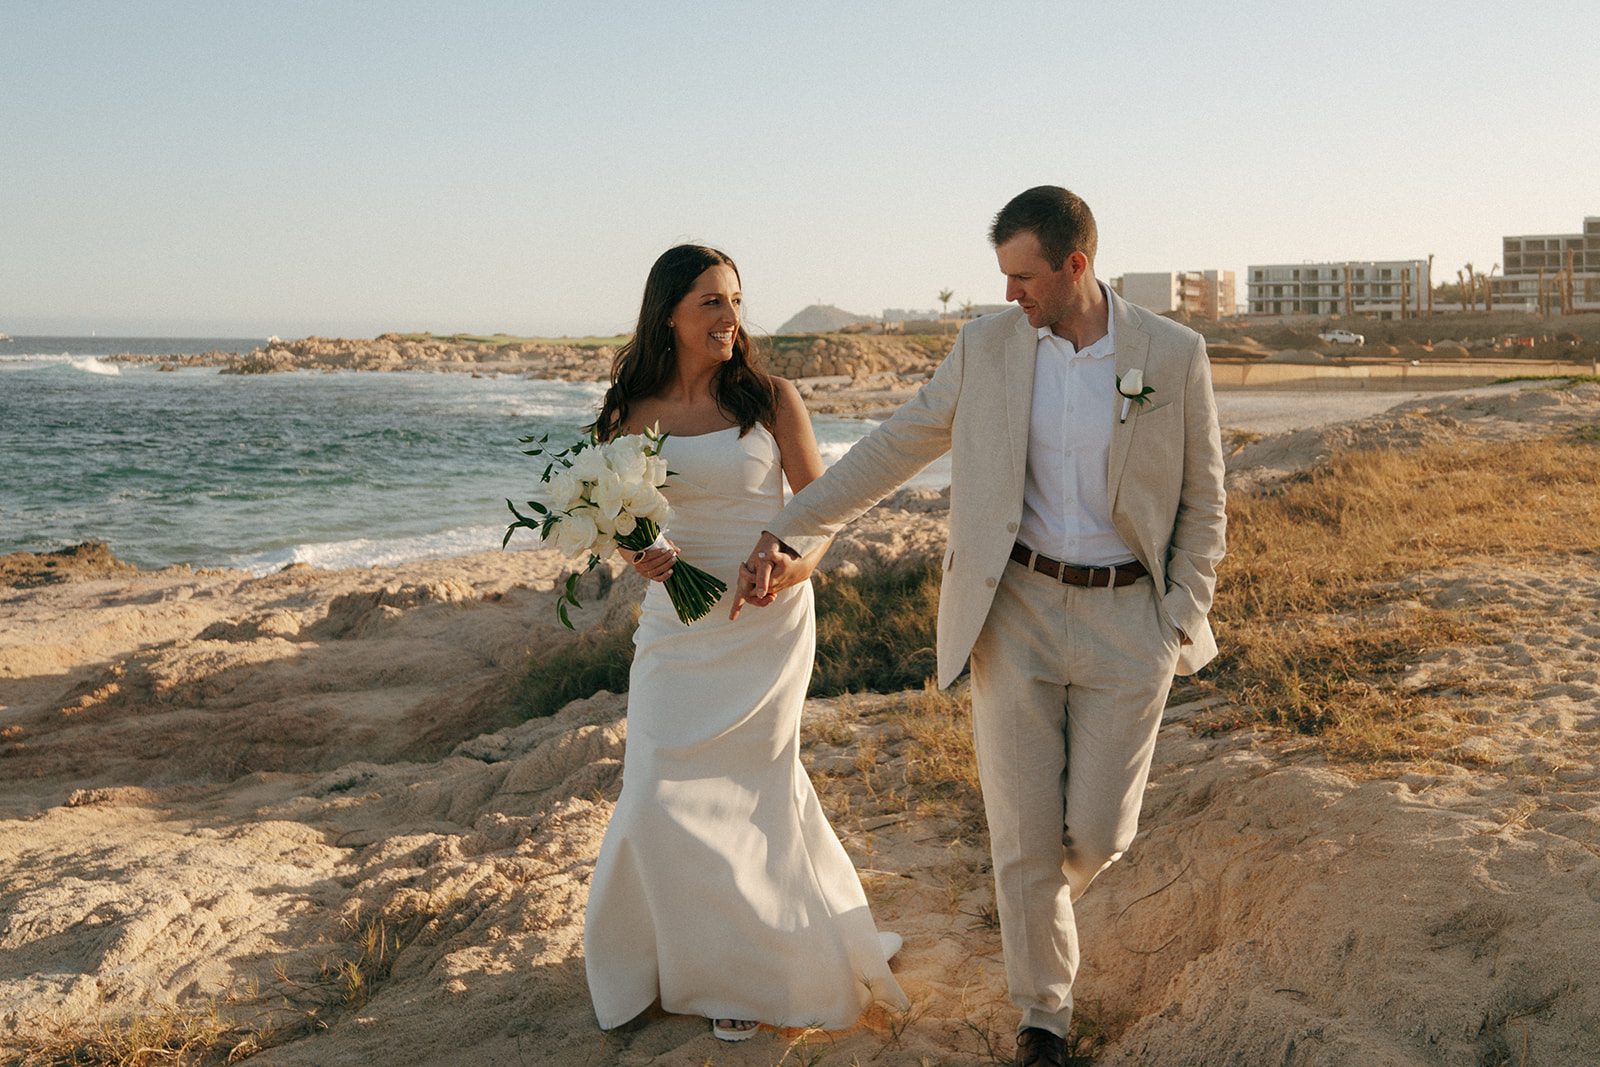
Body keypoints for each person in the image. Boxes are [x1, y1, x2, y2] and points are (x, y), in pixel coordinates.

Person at [735, 187, 1227, 1067]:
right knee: (1023, 833)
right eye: (1003, 275)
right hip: (1016, 612)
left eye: (1024, 276)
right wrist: (792, 523)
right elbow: (894, 446)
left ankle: (1035, 901)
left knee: (1099, 833)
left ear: (1076, 265)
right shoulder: (986, 346)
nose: (1010, 294)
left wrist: (1178, 615)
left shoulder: (1173, 352)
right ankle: (1044, 1016)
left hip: (1129, 620)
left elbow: (1205, 500)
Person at [581, 243, 908, 1043]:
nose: (732, 318)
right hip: (675, 625)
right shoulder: (631, 409)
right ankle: (694, 957)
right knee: (659, 788)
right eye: (712, 304)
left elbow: (822, 513)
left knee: (754, 792)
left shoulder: (770, 399)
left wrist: (788, 569)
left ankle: (747, 973)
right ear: (670, 315)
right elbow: (618, 519)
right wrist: (640, 552)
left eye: (734, 301)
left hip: (765, 623)